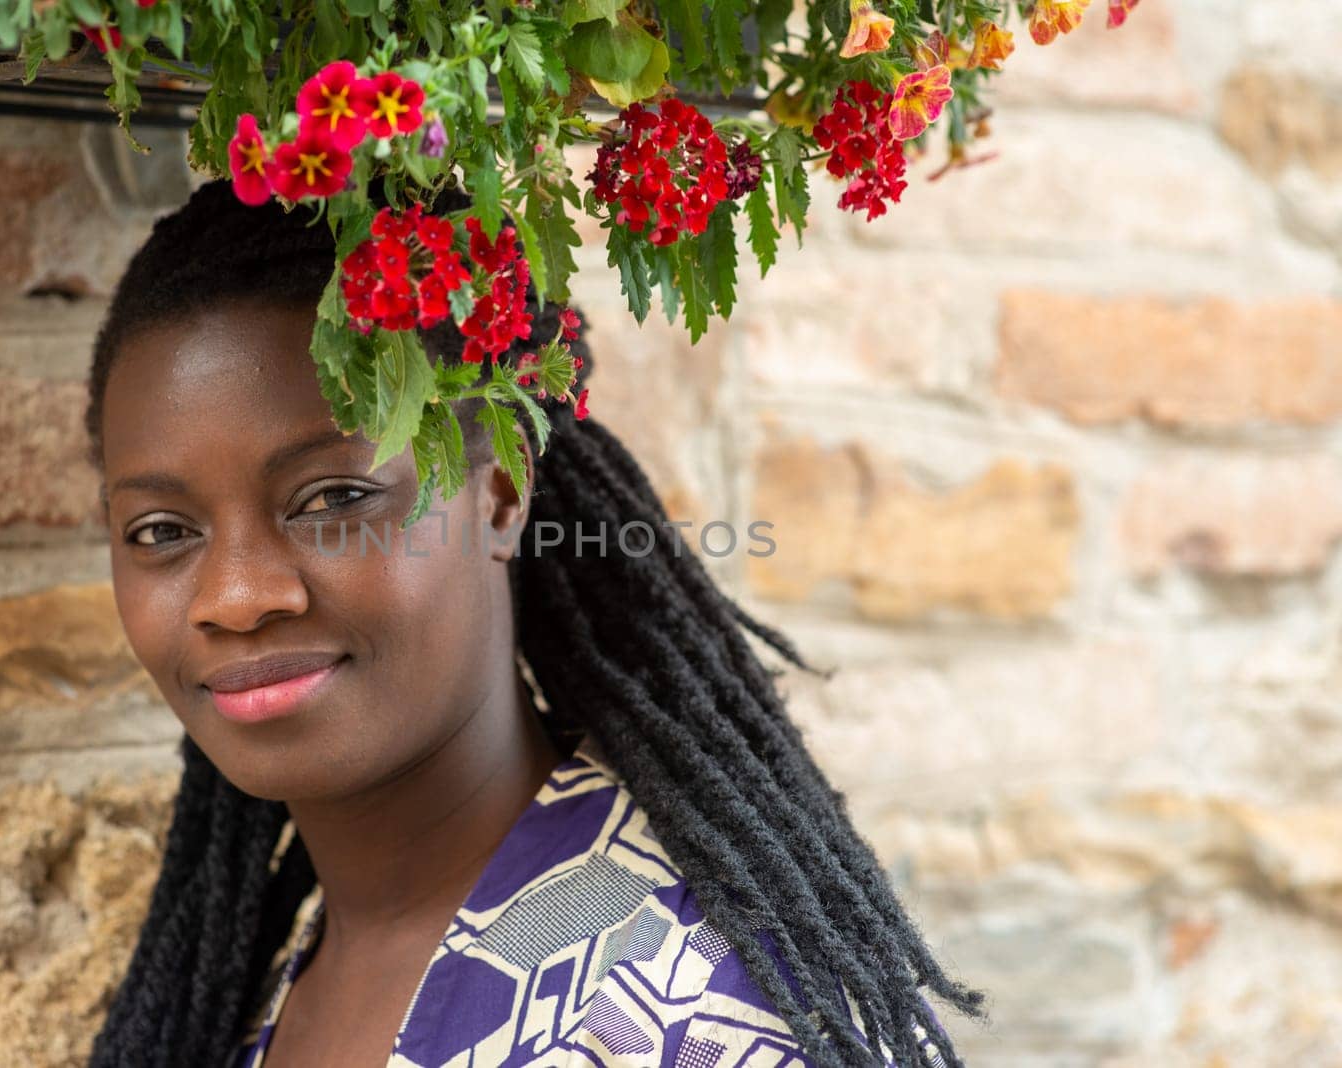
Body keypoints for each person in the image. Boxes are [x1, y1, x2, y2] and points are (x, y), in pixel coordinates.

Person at [83, 178, 984, 1068]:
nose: (235, 595)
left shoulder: (683, 1010)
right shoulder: (252, 989)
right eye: (162, 531)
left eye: (333, 498)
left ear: (502, 495)